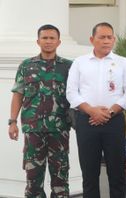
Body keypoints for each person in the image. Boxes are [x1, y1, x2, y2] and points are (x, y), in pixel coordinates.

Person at [66, 22, 126, 197]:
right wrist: (92, 111)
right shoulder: (79, 62)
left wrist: (109, 112)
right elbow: (71, 92)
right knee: (89, 174)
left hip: (114, 121)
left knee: (117, 173)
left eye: (109, 37)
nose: (106, 41)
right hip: (86, 122)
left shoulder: (123, 62)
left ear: (114, 39)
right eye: (102, 37)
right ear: (92, 39)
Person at [8, 24, 72, 197]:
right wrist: (12, 122)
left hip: (59, 130)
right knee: (33, 176)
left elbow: (76, 97)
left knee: (60, 176)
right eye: (45, 38)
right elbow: (18, 95)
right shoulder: (26, 66)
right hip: (33, 129)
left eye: (52, 38)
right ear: (38, 41)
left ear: (59, 42)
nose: (48, 41)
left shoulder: (68, 67)